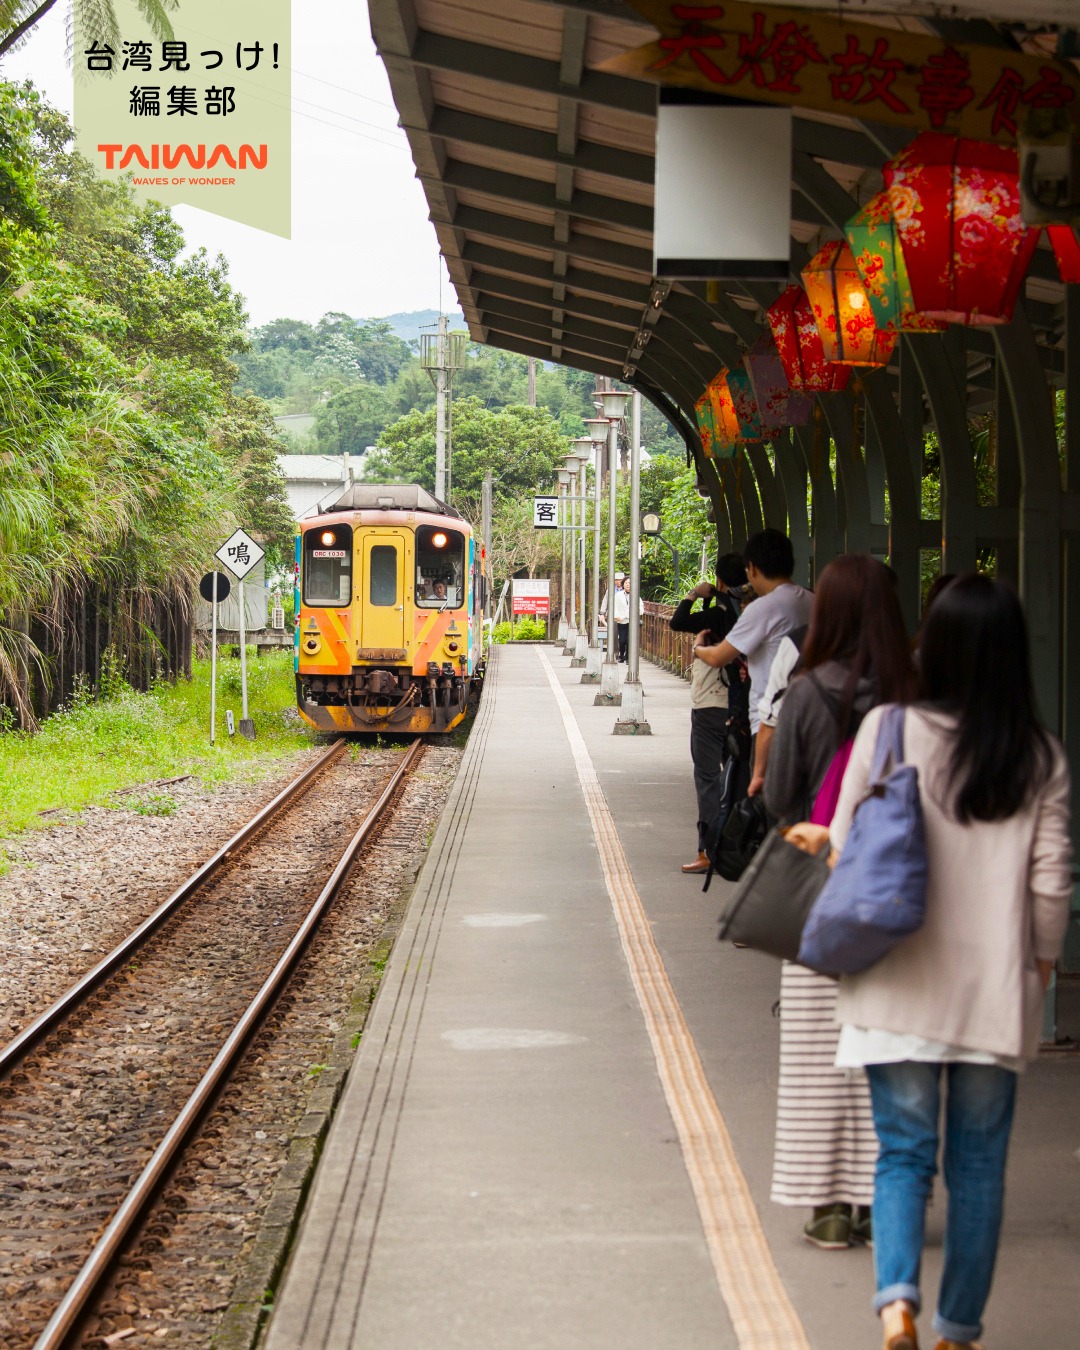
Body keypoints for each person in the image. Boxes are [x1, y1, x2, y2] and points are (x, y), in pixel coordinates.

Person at [829, 574, 1072, 1350]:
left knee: (903, 1155)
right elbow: (1051, 886)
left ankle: (896, 1301)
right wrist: (1038, 970)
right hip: (990, 994)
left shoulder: (889, 729)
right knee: (978, 1169)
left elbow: (843, 847)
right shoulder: (1038, 756)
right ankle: (957, 1330)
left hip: (896, 983)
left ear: (929, 646)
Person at [763, 555, 915, 1251]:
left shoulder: (806, 691)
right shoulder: (916, 695)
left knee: (818, 1054)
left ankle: (828, 1209)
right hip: (899, 892)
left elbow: (780, 798)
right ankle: (882, 1200)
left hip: (821, 889)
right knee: (891, 1052)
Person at [692, 530, 813, 782]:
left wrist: (698, 648)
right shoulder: (812, 600)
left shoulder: (763, 607)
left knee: (764, 792)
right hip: (808, 716)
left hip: (769, 721)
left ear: (753, 569)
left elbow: (718, 656)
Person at [669, 554, 747, 874]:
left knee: (707, 779)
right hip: (742, 706)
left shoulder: (717, 615)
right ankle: (739, 848)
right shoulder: (751, 613)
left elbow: (677, 622)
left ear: (721, 581)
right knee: (737, 776)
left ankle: (708, 851)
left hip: (709, 706)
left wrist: (694, 595)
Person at [599, 573, 629, 655]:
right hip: (613, 615)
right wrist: (602, 613)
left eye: (620, 580)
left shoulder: (627, 590)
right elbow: (605, 601)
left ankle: (626, 653)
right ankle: (615, 653)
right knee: (613, 634)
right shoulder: (610, 590)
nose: (618, 582)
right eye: (616, 580)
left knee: (626, 636)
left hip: (624, 616)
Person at [618, 576, 642, 663]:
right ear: (623, 584)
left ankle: (628, 657)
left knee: (629, 640)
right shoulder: (618, 595)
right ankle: (621, 654)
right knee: (622, 640)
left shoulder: (636, 596)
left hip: (632, 621)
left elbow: (641, 608)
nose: (628, 585)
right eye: (626, 583)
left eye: (629, 583)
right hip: (621, 621)